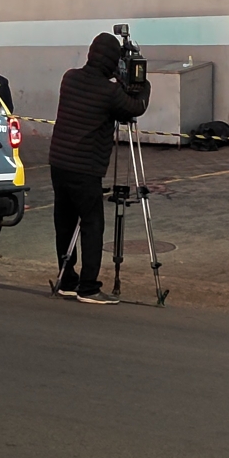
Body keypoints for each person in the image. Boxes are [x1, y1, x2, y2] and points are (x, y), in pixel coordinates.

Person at [48, 32, 150, 305]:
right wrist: (142, 83)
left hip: (58, 163)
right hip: (85, 168)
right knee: (92, 224)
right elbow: (134, 108)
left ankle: (67, 279)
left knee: (65, 222)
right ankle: (89, 287)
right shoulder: (109, 92)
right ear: (113, 62)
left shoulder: (69, 78)